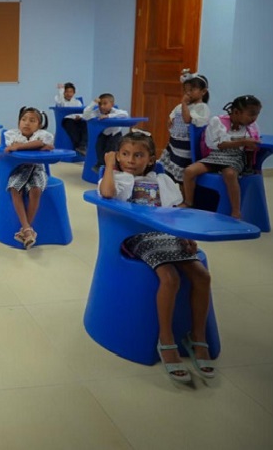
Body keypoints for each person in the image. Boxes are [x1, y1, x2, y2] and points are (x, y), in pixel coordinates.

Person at [99, 132, 215, 383]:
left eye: (138, 155)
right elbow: (107, 194)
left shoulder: (162, 180)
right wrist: (109, 165)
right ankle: (166, 338)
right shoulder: (116, 177)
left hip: (165, 235)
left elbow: (175, 212)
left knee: (202, 276)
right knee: (170, 278)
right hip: (135, 238)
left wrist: (184, 235)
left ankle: (197, 336)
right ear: (118, 156)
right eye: (125, 154)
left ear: (151, 159)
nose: (130, 160)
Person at [182, 95, 261, 218]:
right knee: (189, 171)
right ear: (236, 112)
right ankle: (189, 203)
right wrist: (243, 142)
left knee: (229, 174)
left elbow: (251, 145)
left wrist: (251, 145)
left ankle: (236, 211)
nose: (254, 118)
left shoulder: (251, 127)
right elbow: (217, 144)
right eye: (251, 114)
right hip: (216, 155)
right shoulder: (217, 121)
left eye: (256, 114)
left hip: (236, 157)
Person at [4, 107, 55, 249]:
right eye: (23, 119)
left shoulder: (43, 134)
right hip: (19, 169)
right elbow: (14, 145)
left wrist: (23, 147)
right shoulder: (12, 134)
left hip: (38, 169)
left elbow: (39, 143)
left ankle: (25, 231)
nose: (27, 123)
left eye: (32, 121)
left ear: (39, 125)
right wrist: (37, 146)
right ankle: (27, 229)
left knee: (36, 190)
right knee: (14, 188)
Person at [158, 71, 211, 183]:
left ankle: (181, 195)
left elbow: (187, 119)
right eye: (186, 90)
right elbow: (173, 115)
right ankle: (171, 191)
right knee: (168, 170)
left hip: (185, 147)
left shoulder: (202, 108)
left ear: (203, 91)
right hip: (174, 144)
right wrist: (171, 118)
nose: (187, 94)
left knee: (180, 174)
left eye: (191, 90)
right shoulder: (181, 106)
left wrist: (183, 103)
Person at [83, 93, 129, 172]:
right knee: (99, 147)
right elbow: (85, 115)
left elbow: (125, 114)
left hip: (115, 134)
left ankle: (110, 167)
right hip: (104, 133)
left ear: (112, 104)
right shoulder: (97, 112)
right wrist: (93, 103)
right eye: (100, 104)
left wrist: (109, 116)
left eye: (105, 103)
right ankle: (100, 164)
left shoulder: (115, 111)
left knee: (111, 149)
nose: (102, 106)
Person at [55, 82, 87, 155]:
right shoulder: (60, 99)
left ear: (74, 92)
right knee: (71, 125)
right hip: (66, 120)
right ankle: (78, 146)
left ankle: (82, 146)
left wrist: (80, 116)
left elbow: (82, 112)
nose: (69, 94)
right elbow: (60, 101)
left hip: (77, 119)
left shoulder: (77, 102)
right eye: (66, 92)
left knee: (85, 124)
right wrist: (61, 89)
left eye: (71, 92)